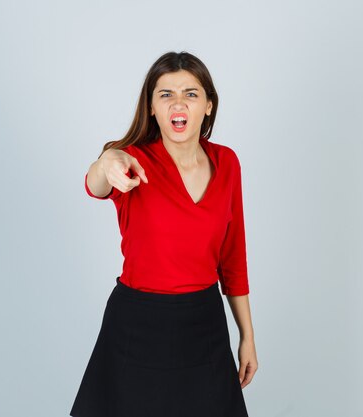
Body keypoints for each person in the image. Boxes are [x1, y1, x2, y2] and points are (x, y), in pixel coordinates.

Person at [69, 51, 258, 417]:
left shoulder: (227, 163)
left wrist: (247, 336)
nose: (178, 102)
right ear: (152, 108)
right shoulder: (131, 160)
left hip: (203, 324)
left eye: (190, 93)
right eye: (165, 93)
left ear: (208, 106)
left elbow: (233, 258)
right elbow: (95, 184)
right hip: (136, 327)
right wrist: (106, 161)